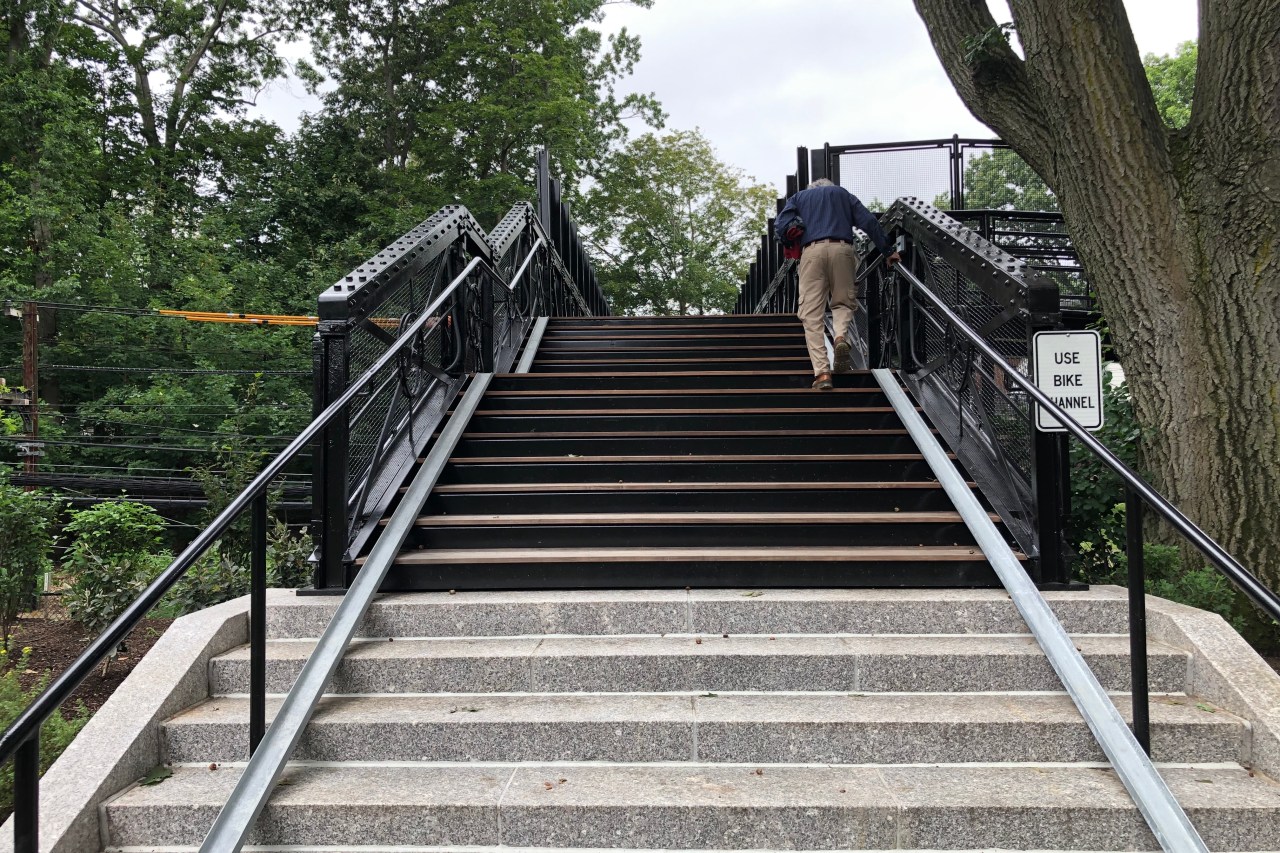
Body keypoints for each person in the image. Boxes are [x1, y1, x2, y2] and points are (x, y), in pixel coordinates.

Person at [775, 178, 900, 390]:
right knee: (843, 301)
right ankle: (840, 335)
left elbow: (780, 225)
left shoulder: (799, 198)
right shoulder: (842, 194)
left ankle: (822, 373)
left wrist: (792, 235)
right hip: (843, 249)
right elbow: (868, 222)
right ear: (830, 186)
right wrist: (887, 251)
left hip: (811, 252)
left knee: (811, 314)